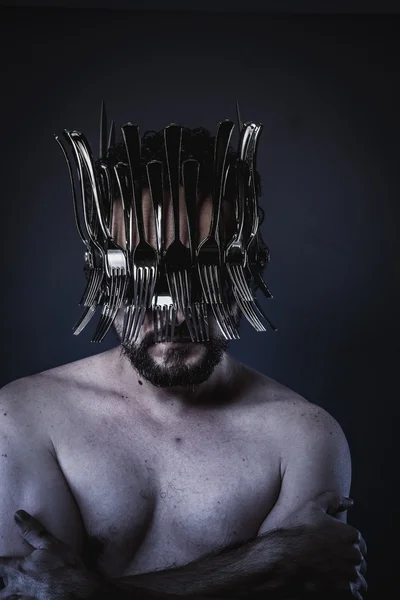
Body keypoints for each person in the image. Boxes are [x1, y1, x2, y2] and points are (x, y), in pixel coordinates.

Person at [0, 121, 367, 599]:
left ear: (247, 280)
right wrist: (265, 561)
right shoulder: (26, 417)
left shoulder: (302, 436)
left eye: (205, 269)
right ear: (101, 287)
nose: (170, 306)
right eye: (138, 272)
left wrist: (91, 593)